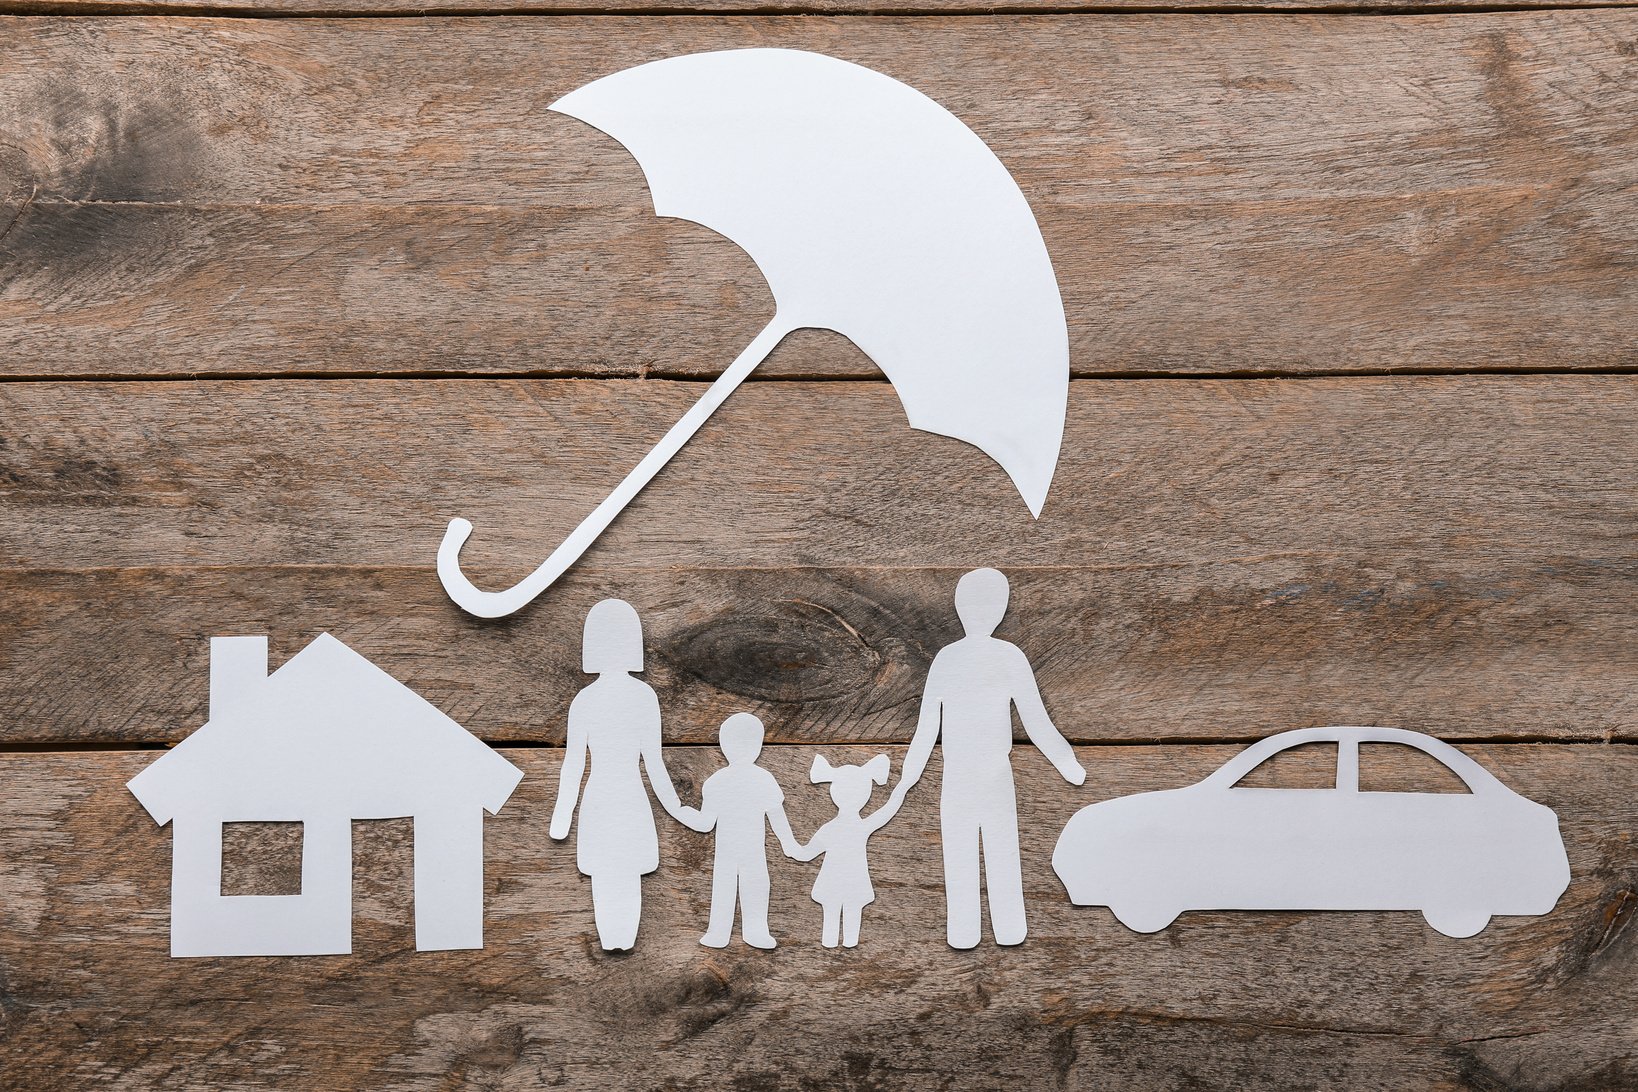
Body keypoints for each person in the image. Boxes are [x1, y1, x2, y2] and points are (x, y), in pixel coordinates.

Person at [889, 567, 1085, 948]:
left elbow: (1033, 719)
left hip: (984, 775)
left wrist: (1067, 763)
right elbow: (928, 724)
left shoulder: (976, 657)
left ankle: (998, 928)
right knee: (985, 849)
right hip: (969, 775)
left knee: (989, 849)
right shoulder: (972, 657)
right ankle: (978, 929)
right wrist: (908, 776)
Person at [549, 599, 697, 951]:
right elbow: (651, 763)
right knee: (614, 868)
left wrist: (563, 815)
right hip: (621, 795)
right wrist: (676, 807)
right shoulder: (635, 697)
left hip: (608, 796)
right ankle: (616, 938)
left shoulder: (589, 699)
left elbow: (579, 764)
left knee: (618, 868)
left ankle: (619, 938)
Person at [682, 713, 800, 949]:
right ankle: (731, 932)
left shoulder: (718, 780)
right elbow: (776, 816)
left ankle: (734, 932)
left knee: (739, 885)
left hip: (738, 851)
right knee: (748, 884)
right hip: (744, 851)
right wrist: (788, 843)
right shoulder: (759, 778)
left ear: (724, 746)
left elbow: (705, 823)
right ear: (758, 746)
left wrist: (682, 811)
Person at [792, 753, 902, 949]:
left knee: (836, 914)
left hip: (834, 882)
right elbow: (887, 810)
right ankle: (844, 941)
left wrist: (792, 847)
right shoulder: (861, 826)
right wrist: (902, 788)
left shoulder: (832, 829)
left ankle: (836, 941)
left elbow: (806, 853)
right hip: (852, 882)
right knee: (848, 913)